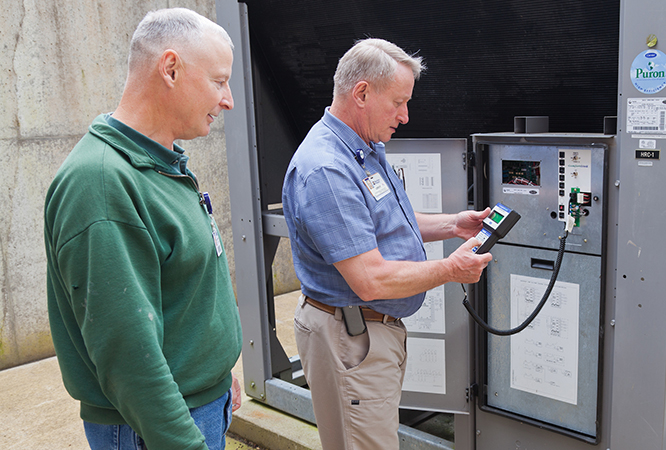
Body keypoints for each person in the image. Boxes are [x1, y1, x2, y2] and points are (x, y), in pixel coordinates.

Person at [44, 8, 242, 450]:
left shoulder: (156, 161)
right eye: (218, 81)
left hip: (195, 406)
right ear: (170, 68)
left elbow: (179, 291)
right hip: (152, 430)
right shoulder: (100, 184)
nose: (227, 99)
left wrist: (215, 373)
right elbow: (127, 352)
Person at [282, 38, 493, 450]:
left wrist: (453, 224)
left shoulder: (363, 149)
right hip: (351, 336)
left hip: (365, 331)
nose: (406, 115)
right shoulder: (328, 169)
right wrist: (451, 269)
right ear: (361, 93)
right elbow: (371, 280)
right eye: (398, 102)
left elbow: (383, 223)